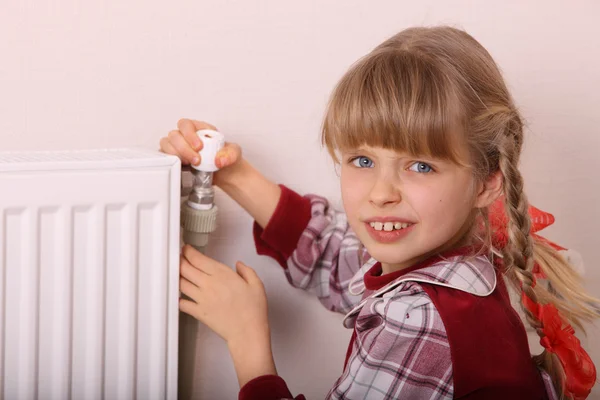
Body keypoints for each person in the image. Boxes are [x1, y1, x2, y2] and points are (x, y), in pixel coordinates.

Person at [159, 26, 598, 399]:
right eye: (362, 161)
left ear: (487, 181)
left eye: (420, 165)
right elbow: (337, 258)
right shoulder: (455, 268)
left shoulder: (424, 323)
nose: (380, 194)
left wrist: (247, 339)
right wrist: (234, 175)